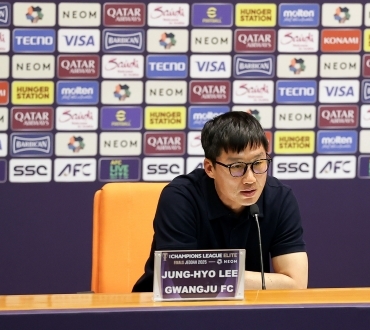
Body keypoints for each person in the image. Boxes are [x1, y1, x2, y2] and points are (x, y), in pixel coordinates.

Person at [132, 111, 309, 292]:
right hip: (164, 306)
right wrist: (248, 280)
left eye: (258, 163)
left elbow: (296, 283)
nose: (250, 179)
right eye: (237, 166)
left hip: (245, 305)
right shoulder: (180, 198)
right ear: (210, 168)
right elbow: (180, 279)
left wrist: (210, 275)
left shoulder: (279, 198)